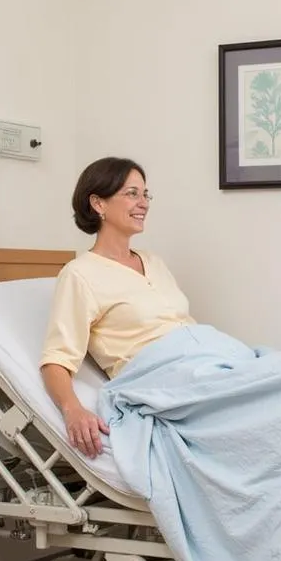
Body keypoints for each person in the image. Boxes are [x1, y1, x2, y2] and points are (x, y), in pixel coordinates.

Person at [40, 156, 195, 458]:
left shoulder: (153, 261)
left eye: (145, 194)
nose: (144, 203)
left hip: (204, 359)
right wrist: (73, 410)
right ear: (98, 203)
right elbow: (56, 359)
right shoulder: (80, 274)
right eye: (132, 193)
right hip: (164, 378)